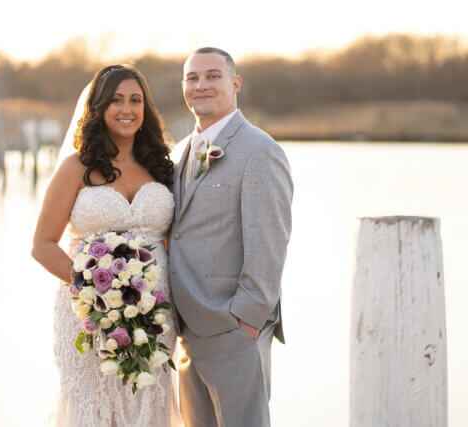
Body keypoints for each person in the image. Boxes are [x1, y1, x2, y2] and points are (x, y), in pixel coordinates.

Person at [31, 65, 181, 426]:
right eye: (116, 100)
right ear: (98, 107)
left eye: (135, 100)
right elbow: (43, 244)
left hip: (155, 315)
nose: (127, 109)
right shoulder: (76, 167)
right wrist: (92, 289)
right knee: (93, 409)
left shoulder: (162, 167)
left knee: (147, 404)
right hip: (87, 315)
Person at [167, 47, 293, 427]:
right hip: (187, 333)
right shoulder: (179, 152)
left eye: (212, 76)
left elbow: (270, 241)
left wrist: (247, 320)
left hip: (234, 331)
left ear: (235, 84)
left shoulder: (260, 150)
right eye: (192, 78)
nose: (200, 85)